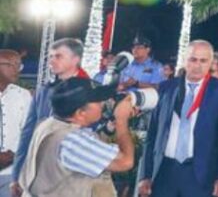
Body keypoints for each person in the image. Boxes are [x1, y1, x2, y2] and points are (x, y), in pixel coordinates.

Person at [137, 40, 218, 197]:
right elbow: (152, 135)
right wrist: (145, 175)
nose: (197, 65)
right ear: (184, 60)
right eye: (193, 59)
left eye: (203, 61)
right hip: (164, 171)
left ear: (210, 62)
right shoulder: (166, 88)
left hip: (200, 173)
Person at [17, 77, 136, 197]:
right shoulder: (71, 140)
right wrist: (122, 120)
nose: (102, 104)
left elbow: (89, 146)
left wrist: (109, 127)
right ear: (80, 113)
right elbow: (125, 162)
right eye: (97, 101)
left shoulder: (49, 124)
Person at [11, 37, 85, 197]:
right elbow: (27, 134)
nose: (52, 61)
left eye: (58, 56)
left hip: (68, 180)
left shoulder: (89, 92)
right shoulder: (44, 91)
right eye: (51, 56)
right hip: (34, 177)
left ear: (75, 59)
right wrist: (16, 174)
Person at [0, 50, 31, 197]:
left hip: (11, 173)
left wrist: (15, 153)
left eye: (19, 65)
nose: (16, 70)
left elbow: (29, 132)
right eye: (11, 65)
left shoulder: (23, 95)